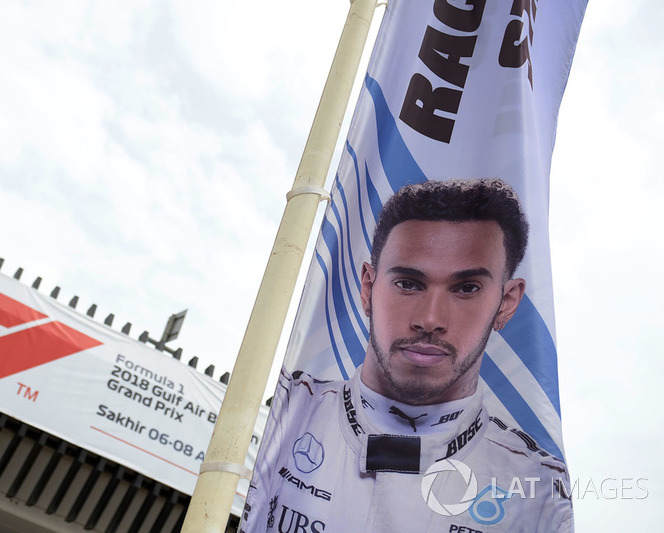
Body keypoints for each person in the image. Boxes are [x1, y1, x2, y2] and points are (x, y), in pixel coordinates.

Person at [239, 179, 573, 533]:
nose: (430, 320)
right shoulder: (281, 415)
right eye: (409, 284)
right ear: (368, 287)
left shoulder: (538, 493)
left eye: (467, 288)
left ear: (506, 304)